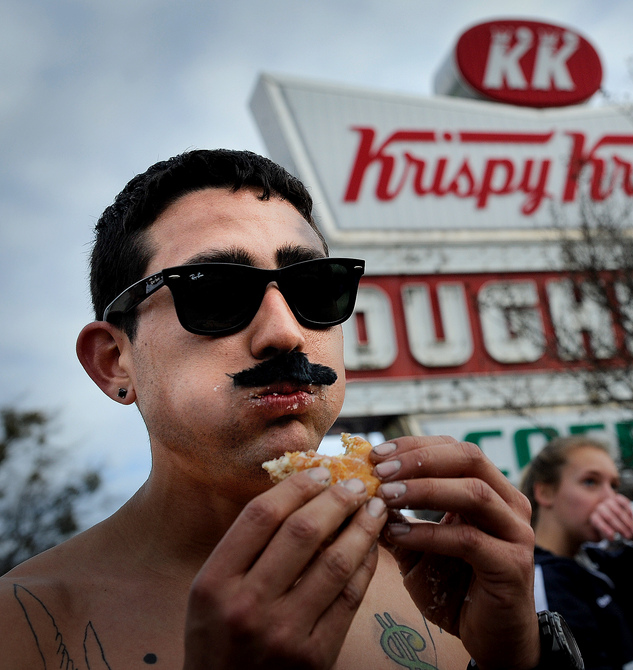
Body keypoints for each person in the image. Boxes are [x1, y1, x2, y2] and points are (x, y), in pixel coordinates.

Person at [0, 149, 560, 669]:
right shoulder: (26, 625)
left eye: (316, 287)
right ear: (114, 362)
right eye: (214, 290)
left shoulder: (435, 584)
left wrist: (521, 658)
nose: (285, 333)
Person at [519, 435, 633, 670]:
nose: (611, 498)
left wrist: (631, 525)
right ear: (545, 493)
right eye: (590, 482)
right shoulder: (536, 578)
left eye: (614, 486)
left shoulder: (601, 562)